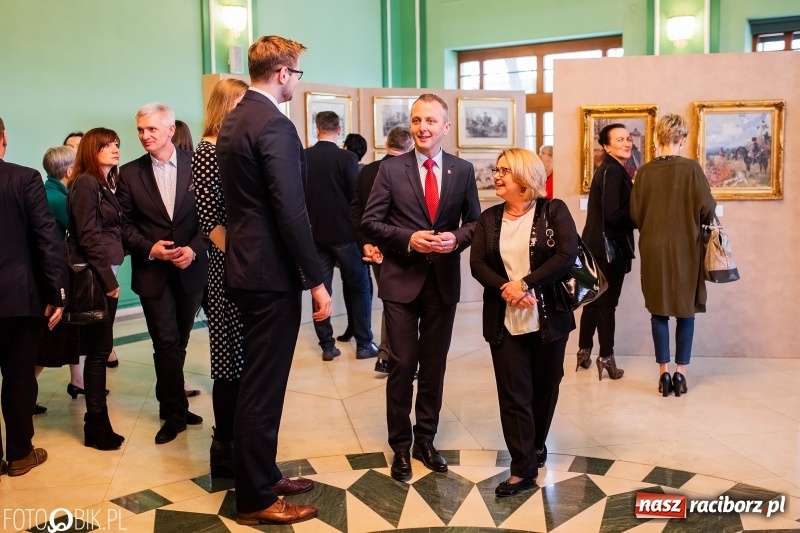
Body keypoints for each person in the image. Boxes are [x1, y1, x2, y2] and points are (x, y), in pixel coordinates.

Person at [216, 35, 331, 526]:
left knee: (257, 381)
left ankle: (263, 474)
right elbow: (290, 212)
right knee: (263, 385)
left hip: (246, 265)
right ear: (282, 73)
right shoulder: (275, 127)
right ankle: (255, 498)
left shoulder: (234, 118)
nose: (295, 82)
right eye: (296, 73)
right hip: (270, 273)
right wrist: (316, 278)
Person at [361, 93, 480, 482]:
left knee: (433, 368)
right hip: (400, 282)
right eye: (416, 121)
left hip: (442, 284)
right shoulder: (391, 170)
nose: (422, 128)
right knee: (402, 365)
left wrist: (456, 239)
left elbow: (476, 223)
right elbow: (371, 222)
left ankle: (424, 440)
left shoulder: (461, 171)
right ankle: (399, 447)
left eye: (430, 121)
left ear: (446, 127)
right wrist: (410, 238)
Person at [470, 148, 577, 496]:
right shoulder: (489, 218)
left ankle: (537, 445)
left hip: (549, 317)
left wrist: (527, 284)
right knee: (514, 395)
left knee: (546, 387)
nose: (497, 175)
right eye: (496, 169)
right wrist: (507, 288)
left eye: (505, 170)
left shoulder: (553, 210)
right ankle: (522, 468)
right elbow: (477, 265)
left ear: (524, 176)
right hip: (505, 317)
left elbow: (566, 254)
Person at [117, 103, 209, 444]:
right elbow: (122, 224)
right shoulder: (128, 173)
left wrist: (194, 249)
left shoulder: (196, 166)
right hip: (152, 272)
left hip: (190, 270)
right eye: (141, 130)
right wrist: (150, 248)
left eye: (151, 129)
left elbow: (213, 218)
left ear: (170, 130)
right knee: (165, 342)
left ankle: (176, 403)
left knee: (179, 342)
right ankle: (172, 413)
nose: (144, 136)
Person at [630, 114, 716, 397]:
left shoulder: (644, 172)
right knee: (685, 312)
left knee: (659, 311)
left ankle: (663, 375)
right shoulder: (691, 169)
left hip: (653, 246)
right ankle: (681, 375)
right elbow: (707, 209)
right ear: (683, 139)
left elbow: (635, 215)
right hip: (685, 248)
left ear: (656, 139)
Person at [0, 116, 67, 478]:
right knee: (19, 376)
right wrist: (57, 292)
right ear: (4, 140)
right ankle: (21, 453)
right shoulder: (23, 178)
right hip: (18, 297)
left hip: (16, 297)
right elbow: (47, 238)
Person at [193, 77, 248, 477]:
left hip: (242, 265)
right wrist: (246, 259)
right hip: (228, 267)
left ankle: (239, 443)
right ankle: (225, 445)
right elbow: (211, 221)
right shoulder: (208, 150)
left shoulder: (229, 148)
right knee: (229, 360)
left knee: (243, 361)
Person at [67, 128, 127, 450]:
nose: (115, 148)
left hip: (104, 272)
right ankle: (96, 424)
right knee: (99, 351)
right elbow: (88, 236)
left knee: (100, 349)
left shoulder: (104, 183)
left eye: (117, 144)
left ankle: (98, 423)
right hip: (96, 277)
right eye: (107, 145)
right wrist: (109, 279)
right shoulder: (88, 182)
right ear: (92, 150)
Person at [304, 112, 377, 361]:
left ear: (317, 129)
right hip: (346, 235)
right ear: (339, 129)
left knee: (320, 290)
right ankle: (365, 344)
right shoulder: (347, 158)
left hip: (315, 236)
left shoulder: (303, 157)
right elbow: (356, 199)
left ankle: (327, 345)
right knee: (359, 287)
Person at [350, 126, 414, 374]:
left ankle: (386, 356)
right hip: (400, 248)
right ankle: (393, 358)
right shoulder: (406, 170)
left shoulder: (366, 171)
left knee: (391, 301)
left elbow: (355, 211)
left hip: (374, 248)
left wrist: (365, 242)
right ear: (409, 146)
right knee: (401, 306)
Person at [577, 123, 635, 380]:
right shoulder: (613, 171)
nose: (626, 143)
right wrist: (639, 216)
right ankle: (607, 357)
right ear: (607, 145)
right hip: (609, 249)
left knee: (594, 301)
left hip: (596, 246)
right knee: (607, 304)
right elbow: (613, 215)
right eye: (620, 139)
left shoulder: (609, 168)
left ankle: (584, 352)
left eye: (628, 138)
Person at [35, 146, 83, 413]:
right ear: (69, 171)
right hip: (54, 275)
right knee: (47, 339)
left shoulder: (45, 190)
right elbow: (78, 231)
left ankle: (77, 380)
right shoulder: (58, 199)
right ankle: (24, 394)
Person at [338, 131, 369, 342]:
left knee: (354, 285)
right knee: (360, 284)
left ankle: (358, 332)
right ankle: (360, 332)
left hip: (349, 236)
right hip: (362, 235)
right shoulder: (366, 171)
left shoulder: (345, 169)